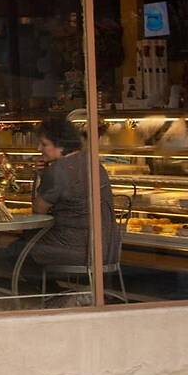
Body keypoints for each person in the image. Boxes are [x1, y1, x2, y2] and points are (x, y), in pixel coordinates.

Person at [26, 112, 119, 273]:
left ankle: (46, 288)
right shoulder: (93, 163)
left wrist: (40, 177)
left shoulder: (57, 170)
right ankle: (53, 288)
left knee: (16, 250)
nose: (39, 149)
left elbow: (38, 210)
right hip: (107, 247)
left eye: (44, 144)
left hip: (73, 249)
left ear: (61, 145)